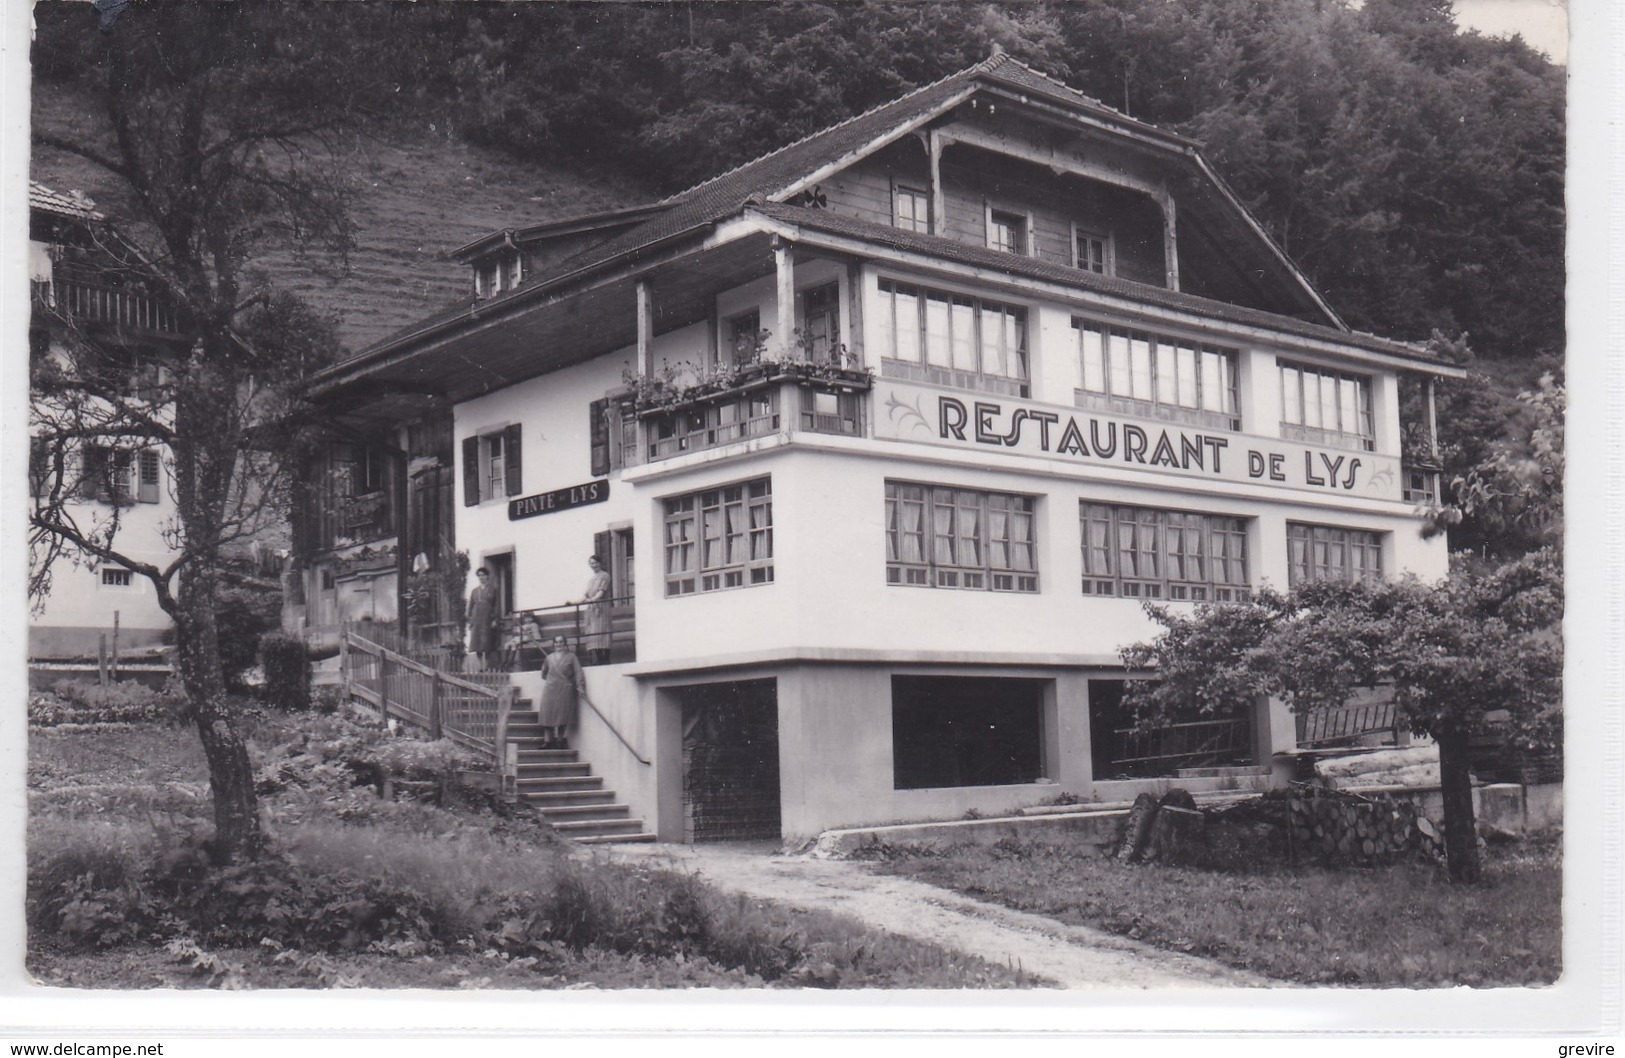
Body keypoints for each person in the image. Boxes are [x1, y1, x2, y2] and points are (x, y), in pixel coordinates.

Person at [538, 635, 588, 749]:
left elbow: (578, 672)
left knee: (562, 715)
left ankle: (560, 740)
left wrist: (580, 686)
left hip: (565, 689)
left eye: (561, 642)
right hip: (550, 689)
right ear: (554, 644)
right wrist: (552, 680)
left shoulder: (571, 657)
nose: (558, 644)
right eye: (556, 642)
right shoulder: (549, 657)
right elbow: (543, 673)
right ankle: (547, 741)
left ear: (565, 644)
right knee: (547, 714)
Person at [466, 566, 501, 671]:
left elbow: (497, 605)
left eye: (484, 575)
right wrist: (470, 620)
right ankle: (480, 666)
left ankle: (486, 666)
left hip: (487, 619)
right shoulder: (474, 591)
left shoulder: (493, 590)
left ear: (487, 576)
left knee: (487, 643)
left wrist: (495, 619)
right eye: (479, 575)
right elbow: (470, 606)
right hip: (477, 619)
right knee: (477, 644)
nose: (482, 577)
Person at [581, 554, 612, 664]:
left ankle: (604, 660)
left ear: (600, 563)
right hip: (591, 610)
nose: (594, 565)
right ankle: (596, 659)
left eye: (595, 563)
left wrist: (594, 599)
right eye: (591, 563)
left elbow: (601, 591)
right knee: (593, 634)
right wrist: (576, 602)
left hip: (601, 608)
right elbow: (586, 595)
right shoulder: (591, 579)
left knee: (602, 633)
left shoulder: (605, 576)